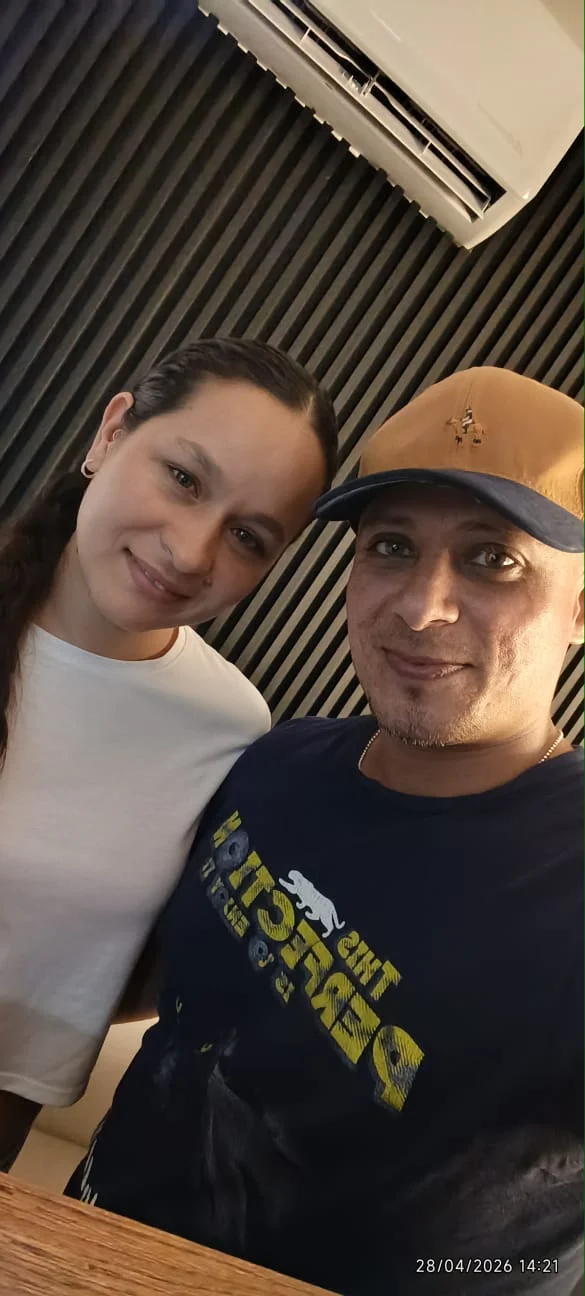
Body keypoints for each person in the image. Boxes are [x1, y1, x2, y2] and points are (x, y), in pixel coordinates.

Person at [67, 367, 583, 1294]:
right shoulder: (276, 761)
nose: (420, 607)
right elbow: (170, 982)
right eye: (391, 546)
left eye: (491, 560)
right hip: (75, 1252)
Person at [0, 337, 337, 1170]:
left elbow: (164, 953)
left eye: (248, 536)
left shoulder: (229, 725)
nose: (191, 552)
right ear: (111, 432)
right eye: (184, 478)